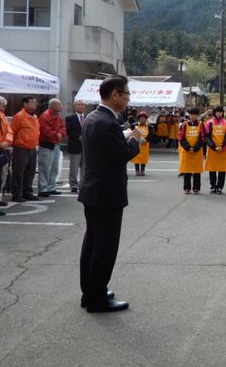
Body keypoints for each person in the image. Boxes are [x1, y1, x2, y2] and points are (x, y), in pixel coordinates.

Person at [78, 75, 141, 313]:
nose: (127, 99)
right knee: (104, 247)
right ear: (115, 94)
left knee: (92, 243)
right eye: (126, 94)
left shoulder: (94, 117)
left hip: (93, 190)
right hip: (106, 193)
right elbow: (120, 156)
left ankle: (91, 291)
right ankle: (97, 299)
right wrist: (135, 141)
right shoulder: (107, 122)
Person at [11, 96, 40, 202]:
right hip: (21, 148)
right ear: (25, 104)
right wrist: (16, 144)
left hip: (32, 147)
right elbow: (13, 131)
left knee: (30, 172)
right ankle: (17, 194)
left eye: (35, 102)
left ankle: (27, 192)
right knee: (18, 172)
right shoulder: (19, 116)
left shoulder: (35, 116)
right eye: (32, 102)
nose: (35, 104)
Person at [38, 98, 66, 197]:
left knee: (54, 167)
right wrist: (57, 134)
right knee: (45, 167)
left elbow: (63, 127)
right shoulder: (45, 116)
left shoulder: (57, 115)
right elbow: (45, 131)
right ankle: (43, 188)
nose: (61, 107)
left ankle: (51, 187)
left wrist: (60, 133)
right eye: (59, 105)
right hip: (46, 144)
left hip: (55, 144)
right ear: (53, 106)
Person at [205, 105, 226, 194]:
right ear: (214, 113)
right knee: (212, 168)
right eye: (217, 112)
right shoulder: (209, 123)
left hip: (223, 150)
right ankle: (213, 186)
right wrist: (214, 146)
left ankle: (220, 186)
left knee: (221, 169)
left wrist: (223, 147)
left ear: (222, 113)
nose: (219, 113)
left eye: (220, 112)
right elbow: (207, 137)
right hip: (212, 150)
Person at [178, 108, 205, 194]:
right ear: (188, 115)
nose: (193, 116)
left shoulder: (201, 124)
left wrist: (196, 147)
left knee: (197, 171)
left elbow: (202, 138)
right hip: (187, 151)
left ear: (197, 115)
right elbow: (181, 137)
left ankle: (196, 188)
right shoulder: (184, 125)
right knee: (187, 170)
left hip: (197, 151)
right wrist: (188, 147)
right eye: (191, 114)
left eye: (194, 114)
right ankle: (187, 188)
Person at [65, 99, 86, 192]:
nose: (80, 106)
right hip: (75, 145)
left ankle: (83, 184)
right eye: (78, 105)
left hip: (86, 147)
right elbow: (69, 130)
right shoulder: (70, 118)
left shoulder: (88, 117)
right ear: (74, 107)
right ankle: (73, 184)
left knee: (85, 167)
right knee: (74, 167)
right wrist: (79, 137)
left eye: (82, 105)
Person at [130, 111, 151, 176]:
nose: (142, 119)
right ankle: (137, 170)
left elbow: (151, 135)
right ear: (139, 119)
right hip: (137, 144)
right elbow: (131, 133)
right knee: (136, 157)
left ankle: (142, 170)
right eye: (141, 118)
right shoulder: (134, 125)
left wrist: (146, 140)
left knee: (143, 158)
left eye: (144, 118)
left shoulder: (149, 127)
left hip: (145, 145)